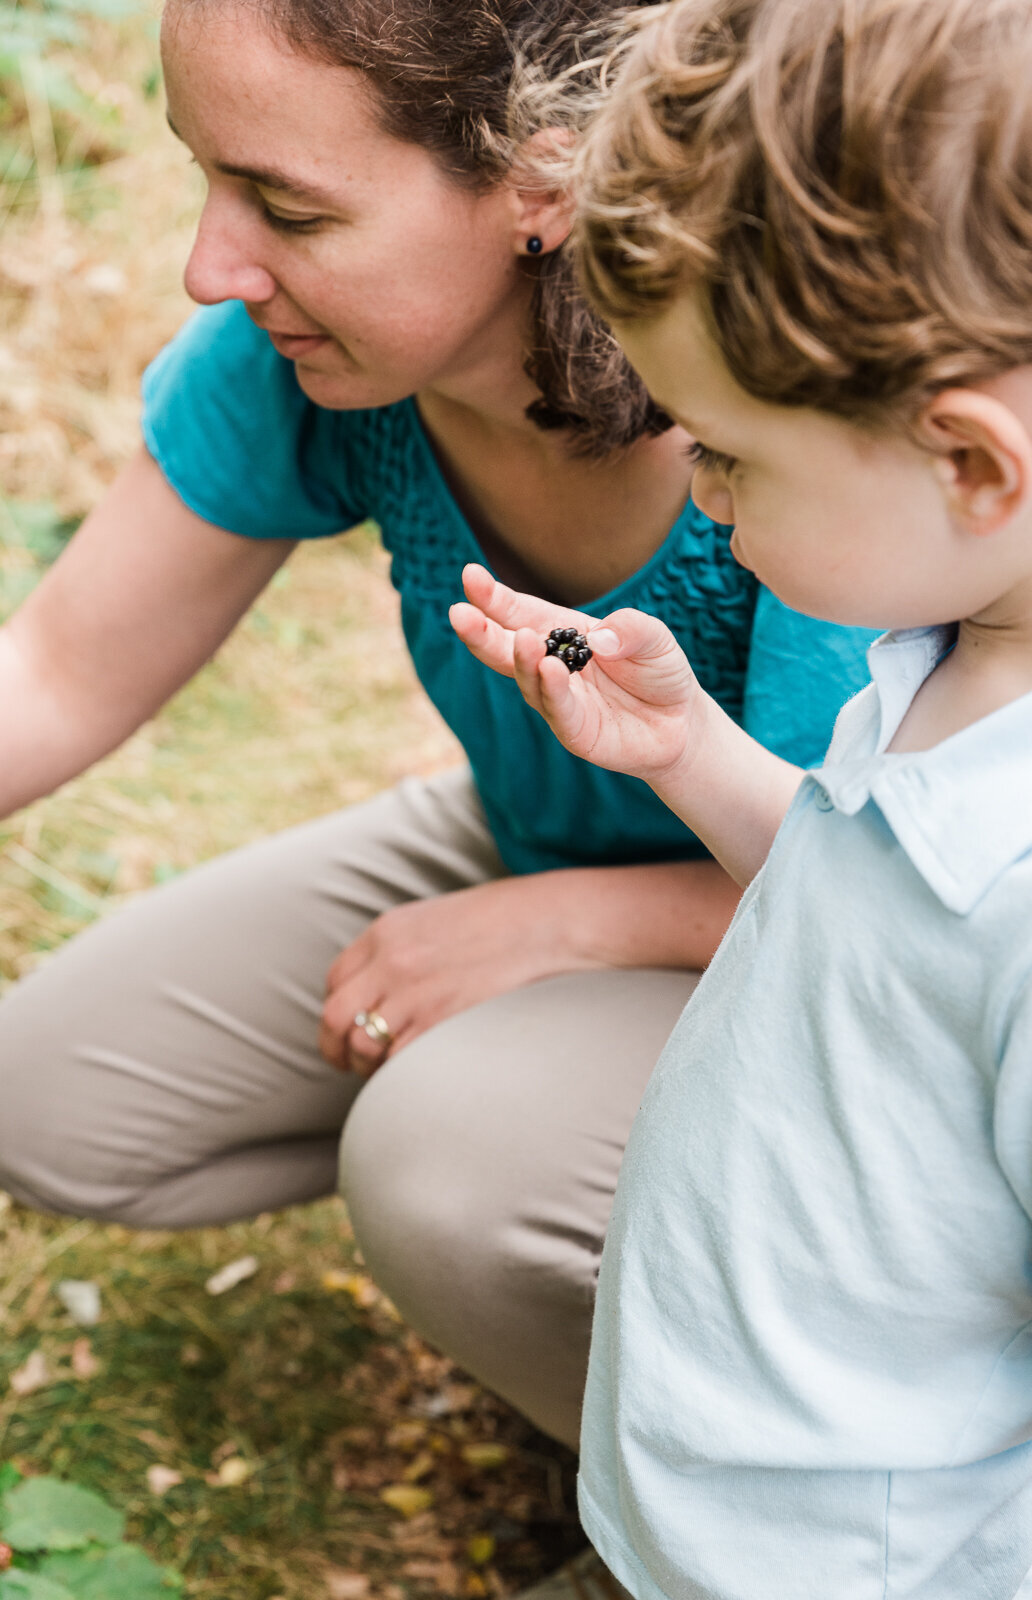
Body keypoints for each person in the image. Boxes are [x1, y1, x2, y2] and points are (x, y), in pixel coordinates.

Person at [0, 0, 875, 1457]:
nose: (210, 267)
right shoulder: (317, 359)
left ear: (546, 177)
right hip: (536, 837)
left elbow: (893, 890)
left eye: (285, 205)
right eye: (206, 179)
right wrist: (535, 906)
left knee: (445, 1170)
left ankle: (773, 1510)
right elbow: (62, 669)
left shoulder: (786, 415)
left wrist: (567, 927)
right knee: (52, 1098)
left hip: (833, 954)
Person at [451, 0, 1032, 1592]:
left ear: (974, 464)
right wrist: (696, 759)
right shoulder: (953, 654)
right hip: (706, 1528)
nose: (702, 505)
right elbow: (867, 931)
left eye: (729, 457)